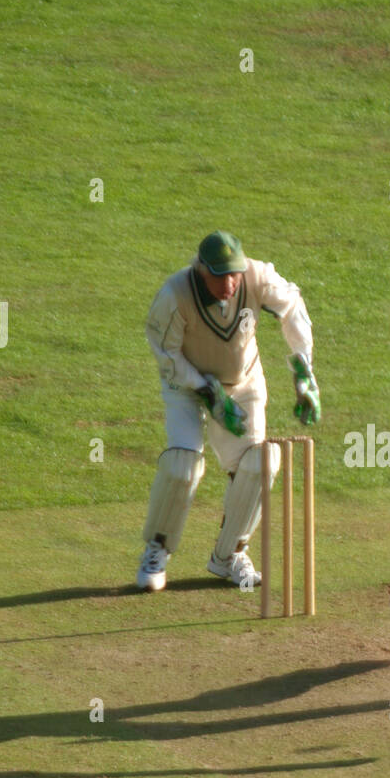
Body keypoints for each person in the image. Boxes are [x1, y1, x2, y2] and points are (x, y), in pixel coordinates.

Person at [136, 230, 320, 591]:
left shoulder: (257, 276)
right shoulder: (175, 294)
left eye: (235, 273)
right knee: (182, 464)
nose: (230, 283)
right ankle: (156, 551)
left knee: (260, 463)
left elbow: (292, 307)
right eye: (221, 275)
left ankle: (230, 554)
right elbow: (166, 355)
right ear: (202, 269)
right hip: (185, 385)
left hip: (243, 381)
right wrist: (207, 390)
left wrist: (304, 371)